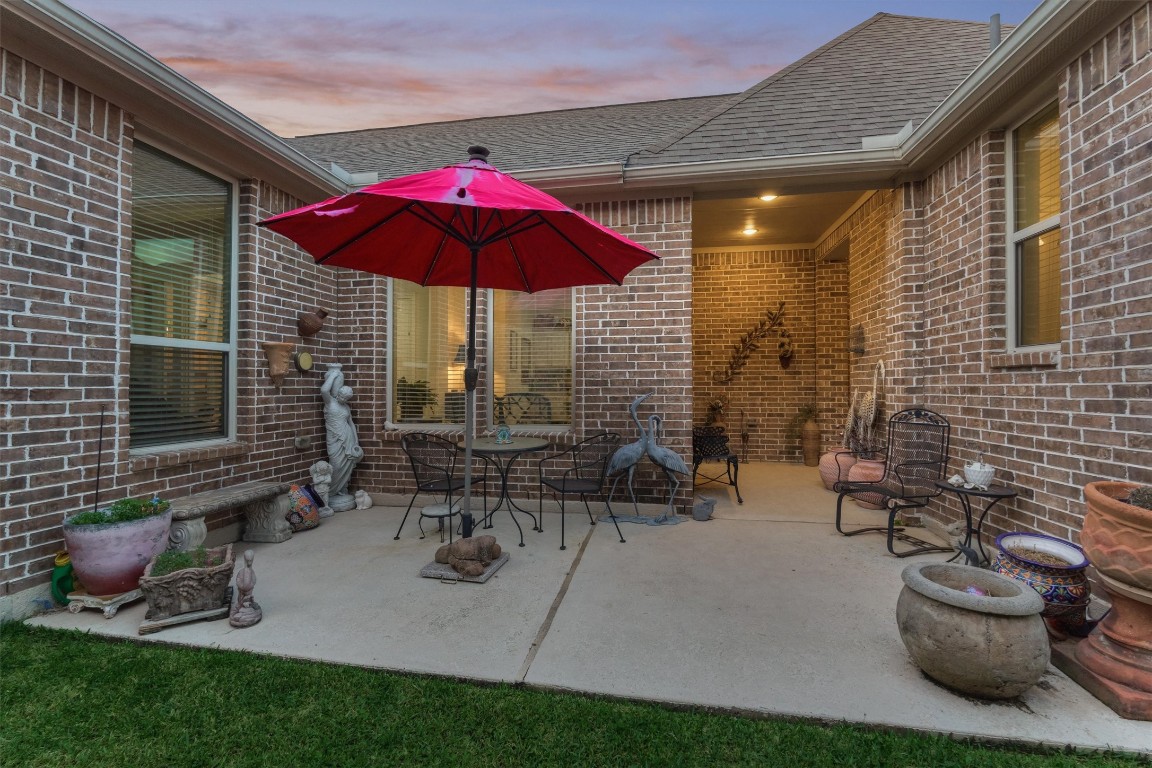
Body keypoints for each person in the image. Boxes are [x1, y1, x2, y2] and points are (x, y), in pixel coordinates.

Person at [321, 364, 363, 510]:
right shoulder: (330, 402)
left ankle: (342, 489)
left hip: (348, 437)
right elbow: (324, 390)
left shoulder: (346, 407)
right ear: (338, 393)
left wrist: (356, 441)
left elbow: (351, 424)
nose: (342, 399)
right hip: (334, 438)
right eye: (341, 396)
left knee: (348, 465)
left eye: (345, 398)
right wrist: (333, 375)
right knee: (336, 464)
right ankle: (332, 492)